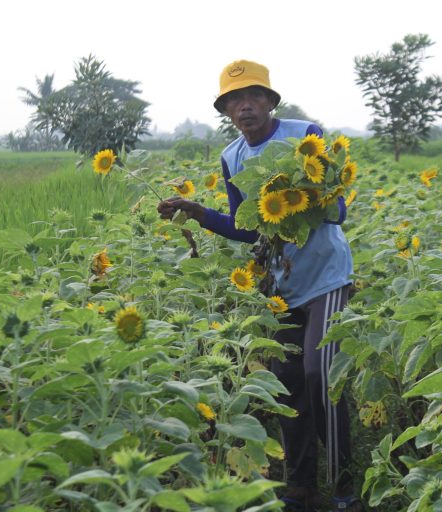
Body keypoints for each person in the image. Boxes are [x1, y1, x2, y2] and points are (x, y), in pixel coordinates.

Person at [157, 60, 361, 512]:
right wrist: (197, 211)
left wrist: (307, 202)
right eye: (234, 100)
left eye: (253, 97)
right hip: (280, 285)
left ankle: (346, 489)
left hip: (327, 275)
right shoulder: (231, 157)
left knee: (320, 373)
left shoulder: (305, 134)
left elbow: (339, 209)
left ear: (270, 102)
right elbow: (249, 227)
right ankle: (301, 488)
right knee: (287, 383)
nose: (244, 106)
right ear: (226, 110)